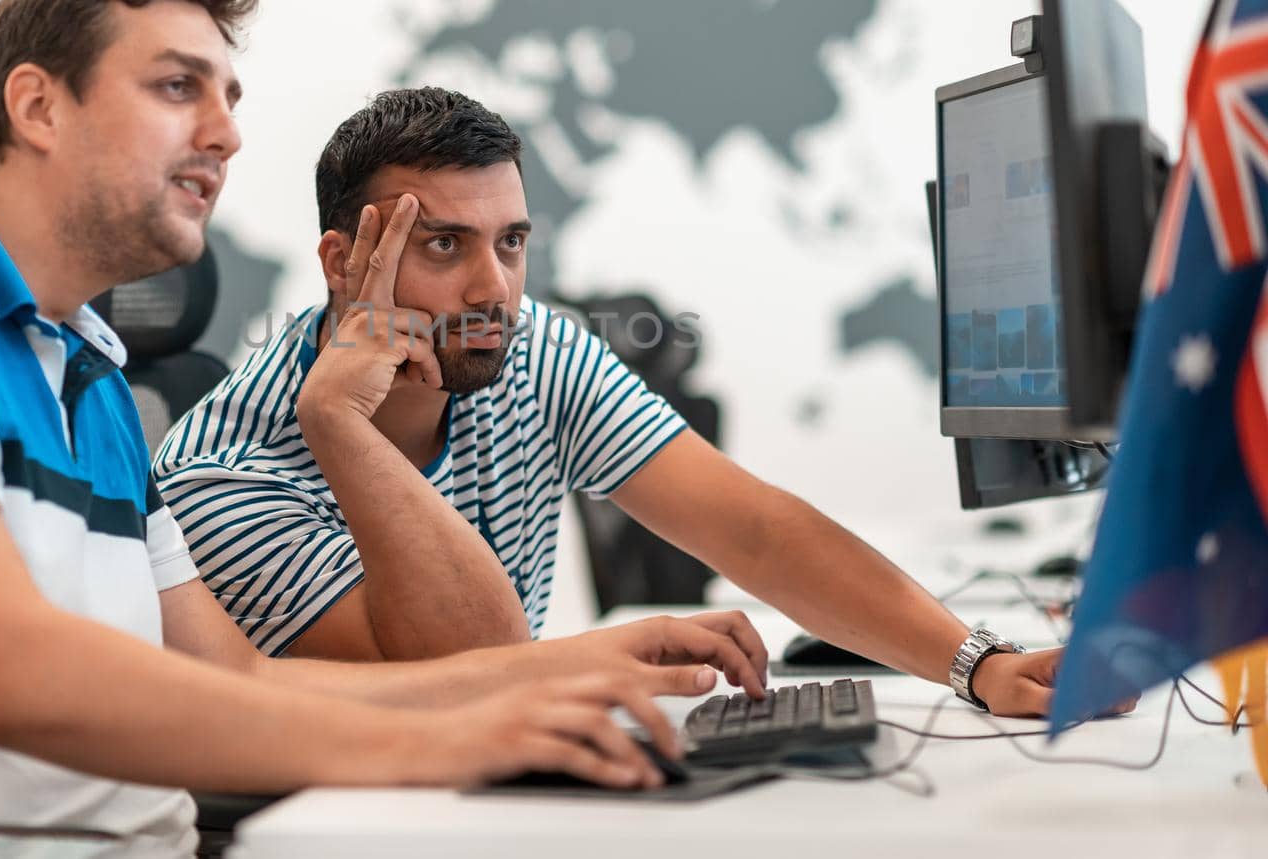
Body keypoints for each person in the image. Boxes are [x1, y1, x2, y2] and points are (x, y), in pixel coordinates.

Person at [0, 0, 768, 858]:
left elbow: (237, 677)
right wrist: (453, 738)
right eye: (175, 86)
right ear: (37, 103)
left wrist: (574, 670)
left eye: (228, 96)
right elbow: (1, 673)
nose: (226, 131)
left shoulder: (89, 377)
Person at [156, 86, 1124, 720]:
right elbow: (472, 666)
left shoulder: (523, 345)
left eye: (510, 240)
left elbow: (754, 530)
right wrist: (339, 427)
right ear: (341, 263)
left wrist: (978, 663)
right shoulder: (223, 480)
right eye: (444, 244)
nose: (493, 286)